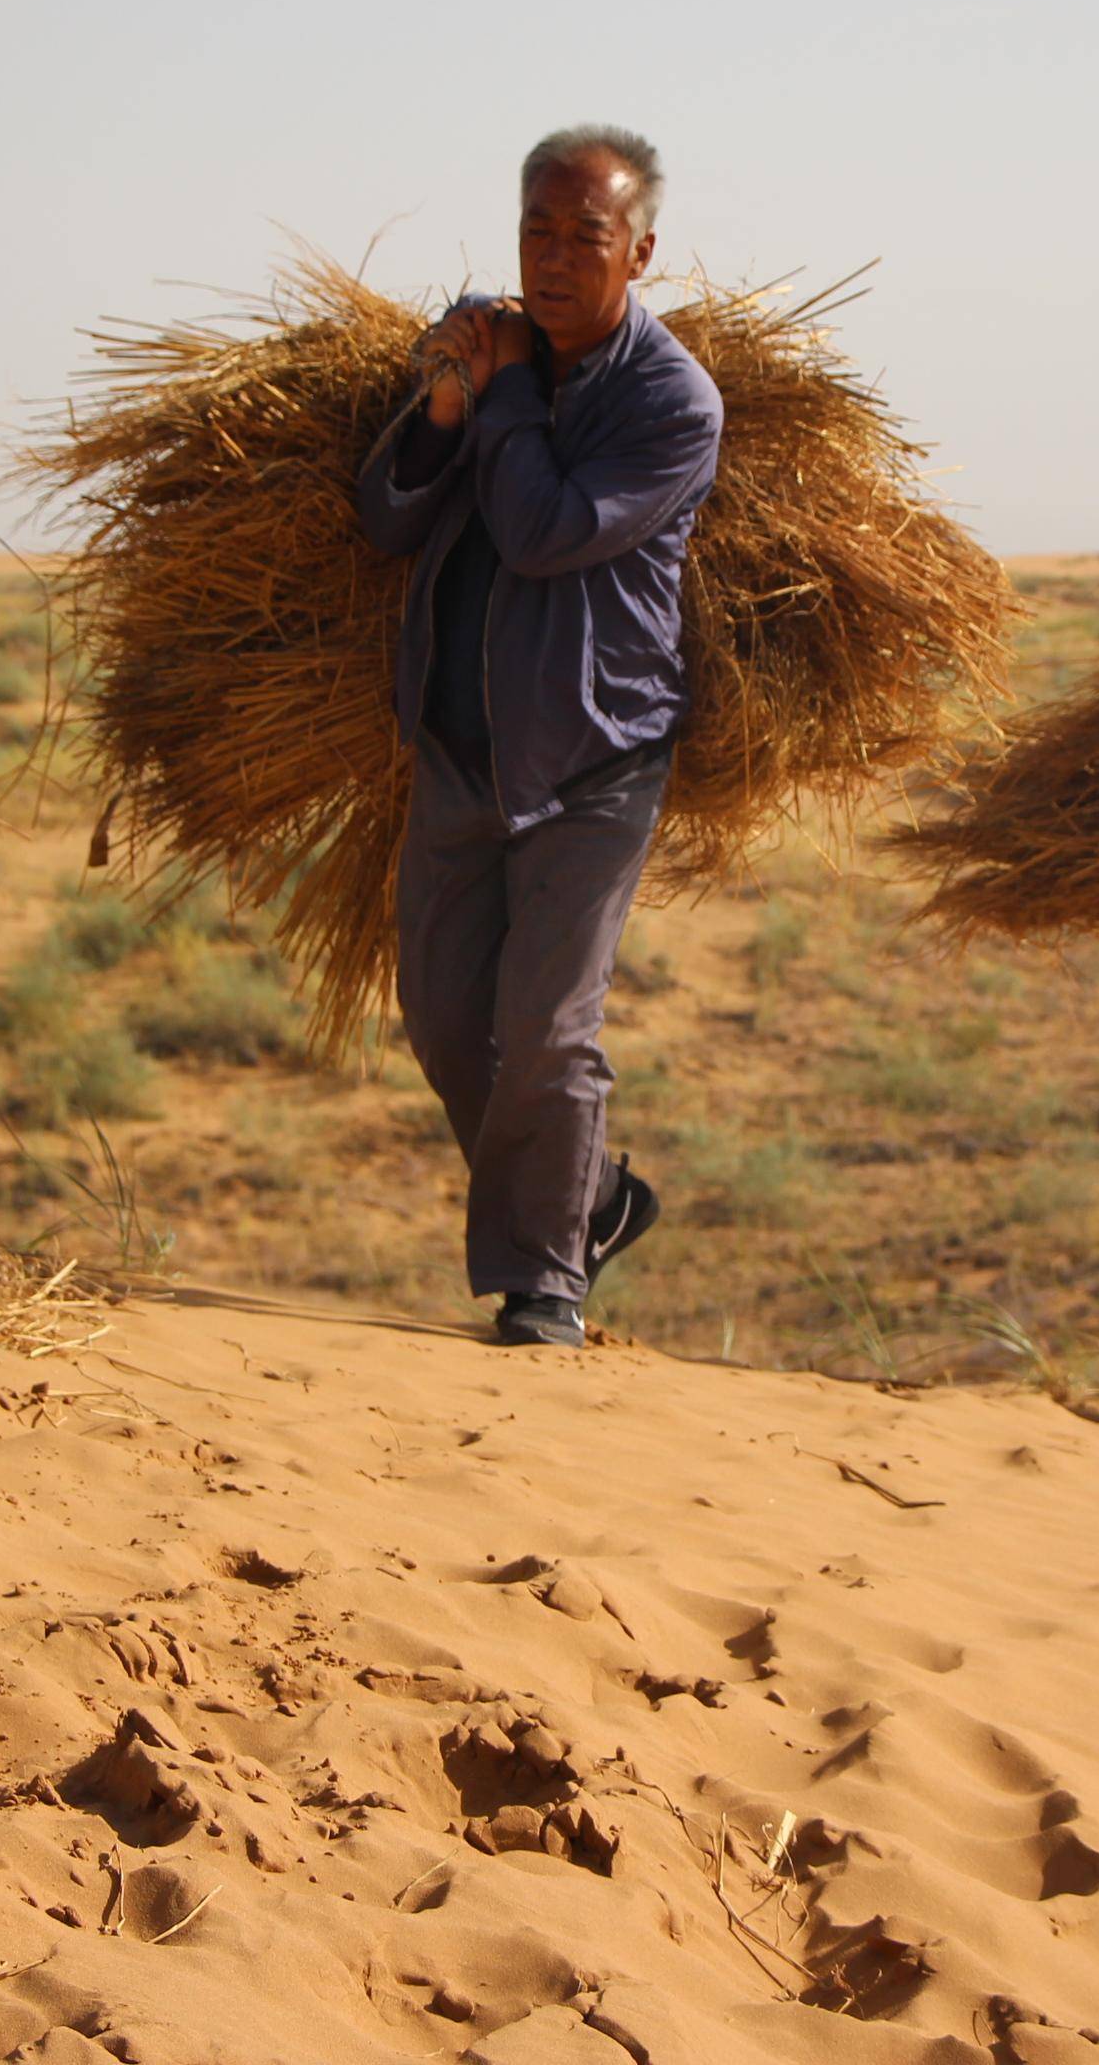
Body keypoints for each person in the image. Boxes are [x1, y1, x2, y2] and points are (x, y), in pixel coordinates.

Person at [353, 126, 723, 1349]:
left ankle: (546, 1283)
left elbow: (544, 532)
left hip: (593, 757)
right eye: (537, 233)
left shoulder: (671, 404)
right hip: (461, 746)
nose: (556, 260)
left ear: (643, 251)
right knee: (447, 1018)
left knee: (549, 1033)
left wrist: (505, 391)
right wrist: (449, 406)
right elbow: (391, 516)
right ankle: (597, 1197)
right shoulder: (489, 341)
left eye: (587, 237)